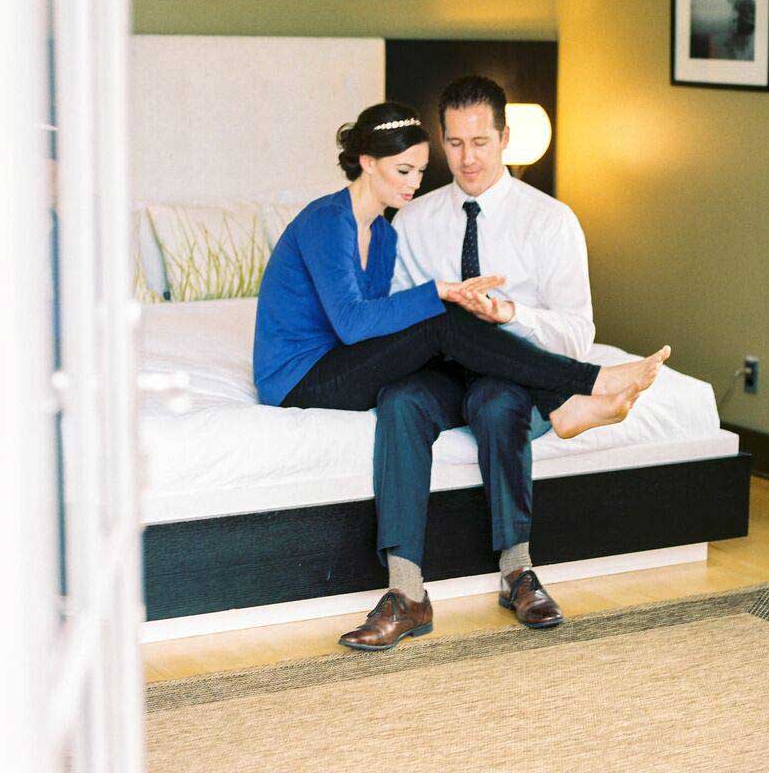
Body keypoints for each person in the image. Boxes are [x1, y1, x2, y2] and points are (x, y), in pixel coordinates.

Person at [252, 101, 670, 649]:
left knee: (441, 344)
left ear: (503, 140)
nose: (416, 182)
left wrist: (458, 320)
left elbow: (383, 325)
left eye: (420, 171)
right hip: (297, 376)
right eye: (405, 170)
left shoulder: (384, 234)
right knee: (440, 322)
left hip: (355, 362)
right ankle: (578, 389)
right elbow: (356, 324)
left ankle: (455, 585)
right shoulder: (327, 220)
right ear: (366, 162)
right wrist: (443, 297)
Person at [347, 76, 617, 653]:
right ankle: (406, 593)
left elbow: (578, 331)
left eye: (481, 143)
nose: (467, 159)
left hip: (514, 370)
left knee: (499, 405)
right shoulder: (415, 219)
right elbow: (392, 317)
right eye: (455, 143)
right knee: (399, 402)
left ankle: (517, 572)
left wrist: (509, 315)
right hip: (444, 368)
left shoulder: (549, 221)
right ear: (440, 142)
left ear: (506, 140)